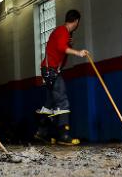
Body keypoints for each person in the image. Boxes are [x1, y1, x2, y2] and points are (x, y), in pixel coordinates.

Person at [34, 9, 88, 145]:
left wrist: (69, 45)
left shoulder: (60, 32)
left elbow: (59, 48)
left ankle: (41, 133)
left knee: (50, 102)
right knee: (62, 101)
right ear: (76, 21)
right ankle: (64, 135)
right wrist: (78, 52)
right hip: (51, 71)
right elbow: (60, 47)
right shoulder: (63, 31)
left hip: (48, 70)